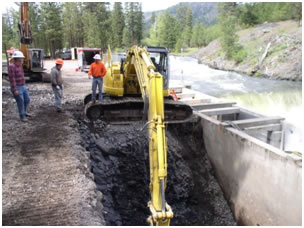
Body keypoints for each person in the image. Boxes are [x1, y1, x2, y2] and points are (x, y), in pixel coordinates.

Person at [8, 51, 31, 122]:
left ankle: (24, 112)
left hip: (22, 86)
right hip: (17, 87)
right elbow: (12, 79)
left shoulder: (20, 66)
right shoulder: (11, 66)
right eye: (22, 58)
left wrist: (24, 82)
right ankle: (22, 116)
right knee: (20, 101)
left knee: (27, 99)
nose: (23, 59)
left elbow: (22, 76)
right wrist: (15, 89)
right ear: (18, 58)